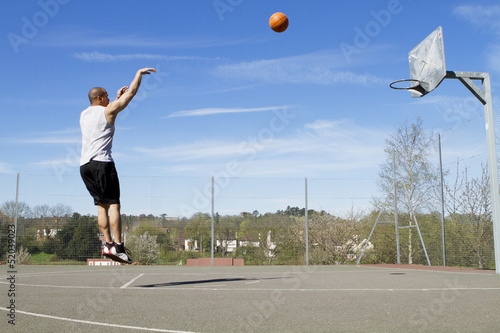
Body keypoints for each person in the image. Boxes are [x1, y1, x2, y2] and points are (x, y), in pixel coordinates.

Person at [79, 68, 156, 263]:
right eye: (105, 96)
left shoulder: (83, 115)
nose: (108, 98)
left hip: (85, 166)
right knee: (114, 204)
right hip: (102, 163)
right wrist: (138, 74)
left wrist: (114, 98)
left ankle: (107, 245)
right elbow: (130, 95)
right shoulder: (108, 110)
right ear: (99, 98)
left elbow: (106, 109)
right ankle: (119, 246)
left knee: (101, 205)